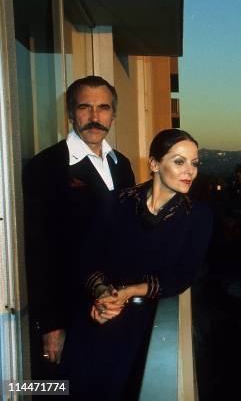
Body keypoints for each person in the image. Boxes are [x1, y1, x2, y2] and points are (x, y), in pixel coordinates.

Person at [59, 129, 213, 400]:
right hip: (96, 315)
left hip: (142, 327)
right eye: (179, 161)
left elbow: (182, 276)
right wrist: (102, 294)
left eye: (194, 163)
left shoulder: (198, 216)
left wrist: (129, 292)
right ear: (154, 164)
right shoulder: (115, 202)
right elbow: (86, 259)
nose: (190, 170)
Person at [23, 76, 135, 374]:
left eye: (104, 108)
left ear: (114, 114)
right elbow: (38, 250)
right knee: (64, 391)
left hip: (115, 308)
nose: (95, 117)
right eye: (85, 107)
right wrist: (50, 324)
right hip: (70, 312)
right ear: (71, 113)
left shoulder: (121, 165)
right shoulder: (45, 167)